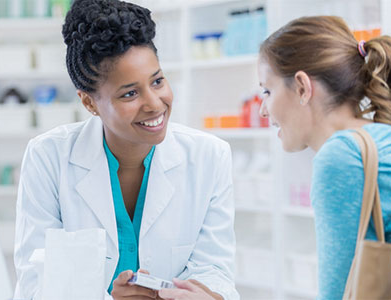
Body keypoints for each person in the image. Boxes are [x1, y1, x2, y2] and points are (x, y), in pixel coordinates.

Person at [160, 15, 391, 300]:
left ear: (303, 88)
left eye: (267, 91)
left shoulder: (342, 157)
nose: (263, 110)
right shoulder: (390, 137)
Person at [13, 1, 239, 299]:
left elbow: (216, 270)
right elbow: (35, 283)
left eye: (157, 81)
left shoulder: (209, 156)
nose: (155, 103)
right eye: (130, 93)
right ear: (89, 103)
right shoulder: (48, 158)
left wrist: (202, 294)